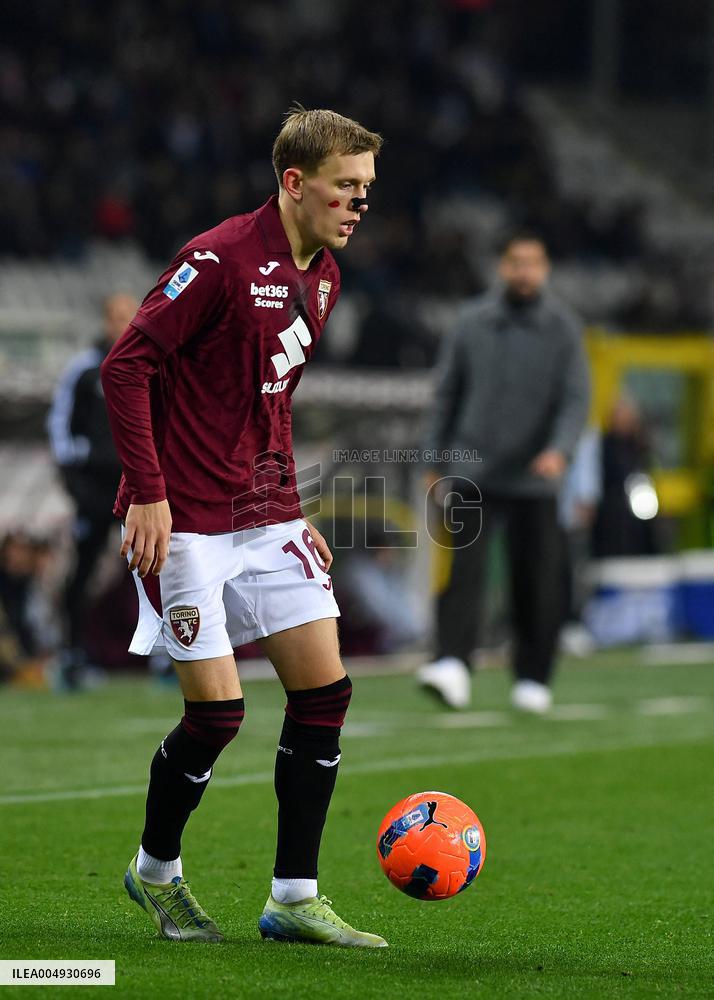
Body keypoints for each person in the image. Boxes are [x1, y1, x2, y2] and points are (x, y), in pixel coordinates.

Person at [100, 107, 386, 947]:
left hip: (263, 518)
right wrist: (148, 492)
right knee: (218, 717)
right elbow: (127, 365)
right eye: (347, 187)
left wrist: (289, 509)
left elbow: (272, 404)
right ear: (295, 183)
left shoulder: (325, 274)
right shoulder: (217, 258)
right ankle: (155, 873)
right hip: (183, 520)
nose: (359, 203)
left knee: (325, 695)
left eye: (366, 189)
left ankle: (293, 898)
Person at [418, 233, 590, 713]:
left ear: (546, 268)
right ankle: (451, 662)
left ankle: (533, 675)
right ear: (501, 267)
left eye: (533, 263)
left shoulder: (563, 328)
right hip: (472, 467)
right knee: (463, 571)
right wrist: (434, 460)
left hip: (536, 472)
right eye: (516, 262)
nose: (524, 272)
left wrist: (559, 450)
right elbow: (446, 394)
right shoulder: (471, 323)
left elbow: (575, 398)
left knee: (537, 575)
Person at [48, 293, 138, 688]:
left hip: (138, 488)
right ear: (105, 320)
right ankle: (72, 654)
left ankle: (165, 659)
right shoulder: (85, 369)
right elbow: (59, 426)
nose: (122, 323)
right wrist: (74, 483)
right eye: (116, 316)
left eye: (128, 316)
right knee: (83, 572)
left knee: (153, 570)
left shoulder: (147, 365)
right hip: (96, 489)